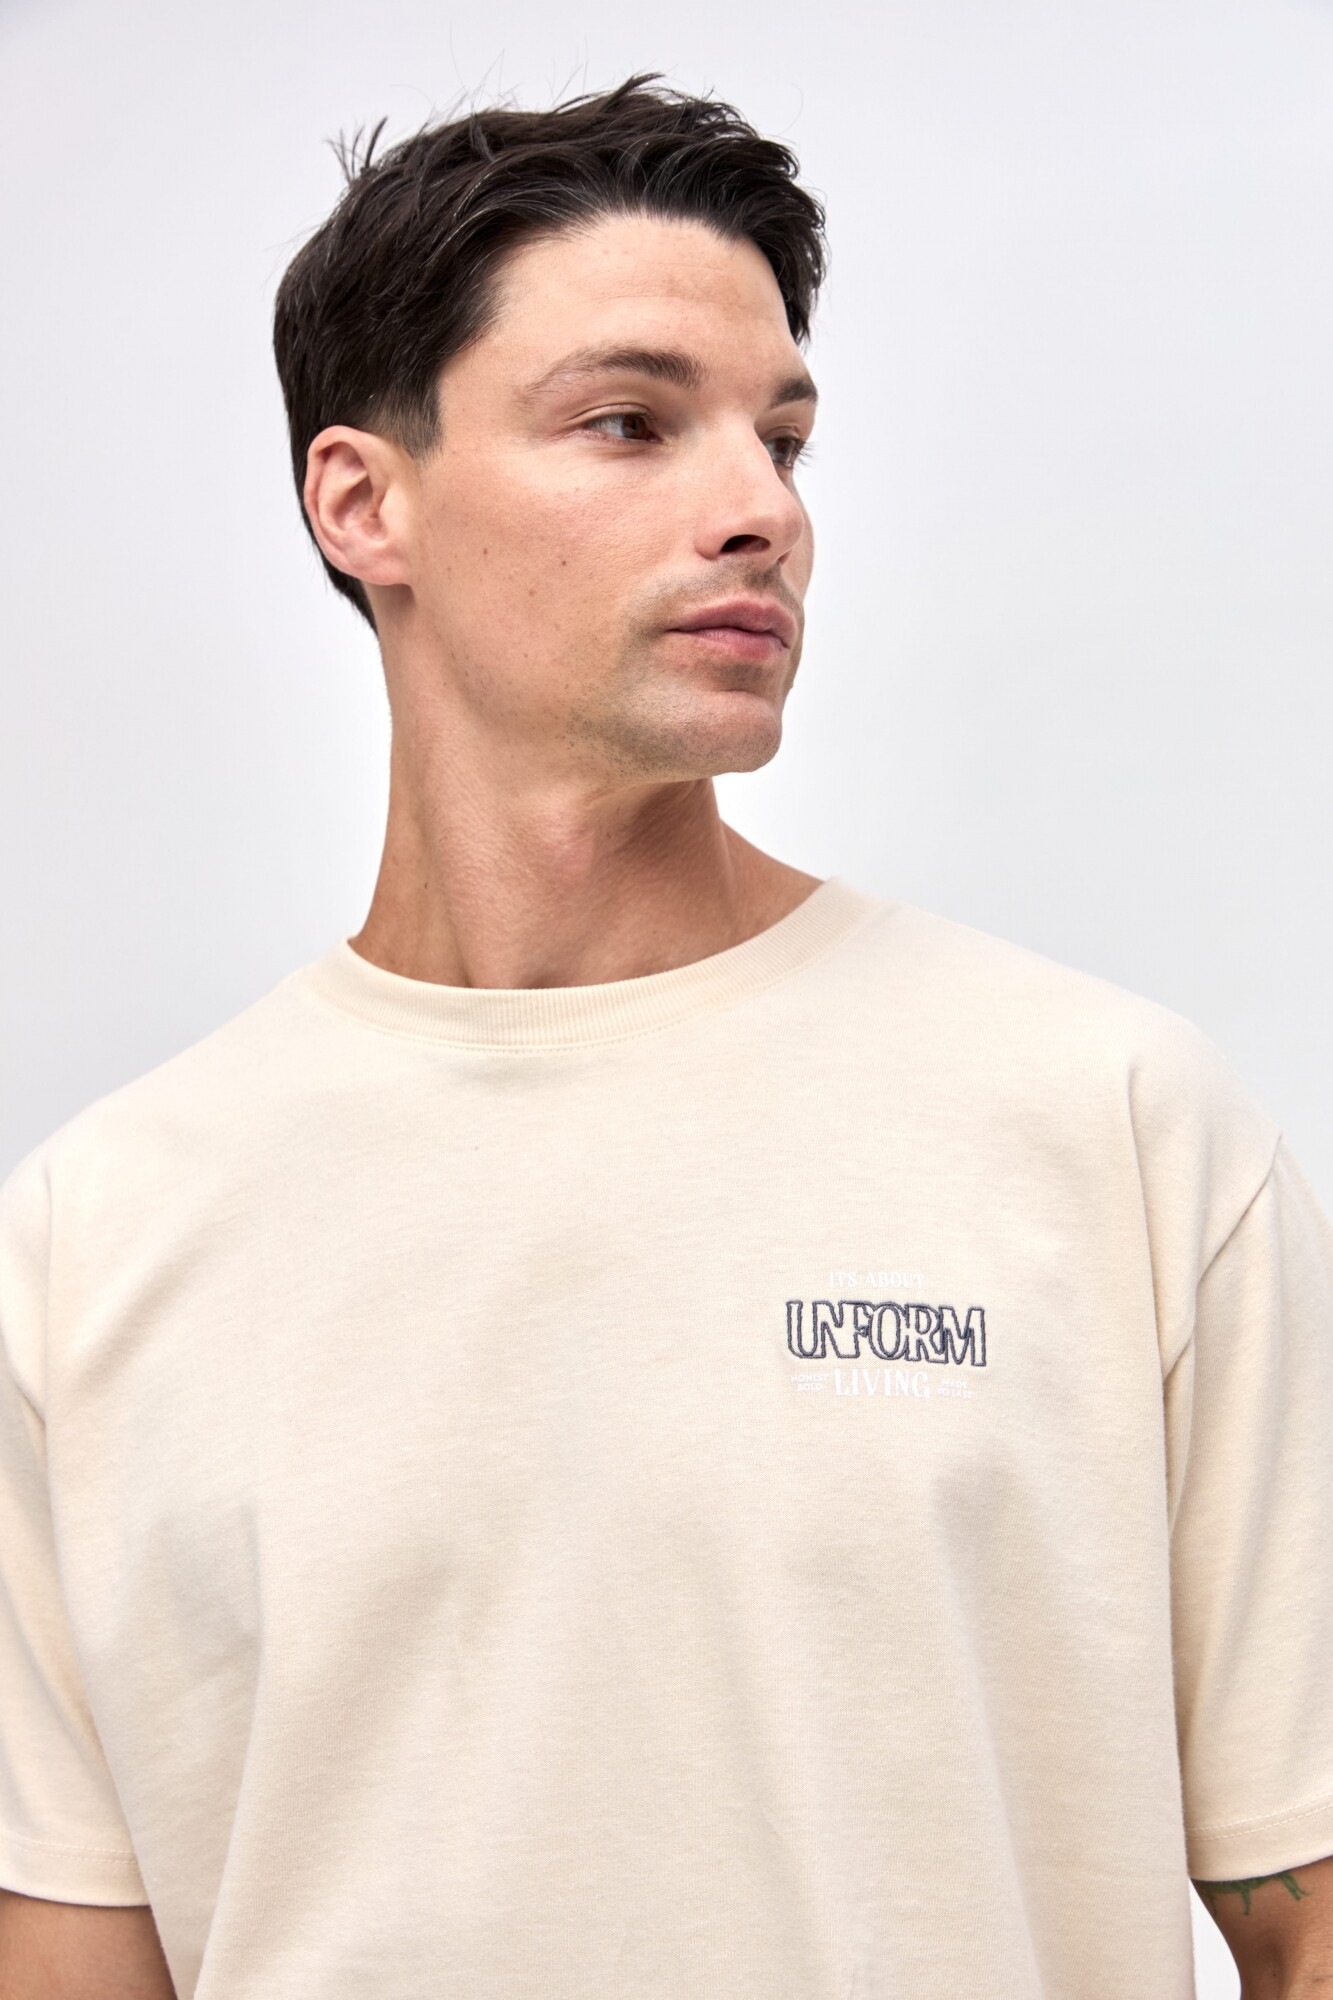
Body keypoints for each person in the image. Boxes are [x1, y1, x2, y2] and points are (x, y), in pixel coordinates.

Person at [0, 74, 1330, 2000]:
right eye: (630, 422)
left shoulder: (1110, 1127)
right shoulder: (97, 1237)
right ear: (363, 502)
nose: (759, 510)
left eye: (781, 438)